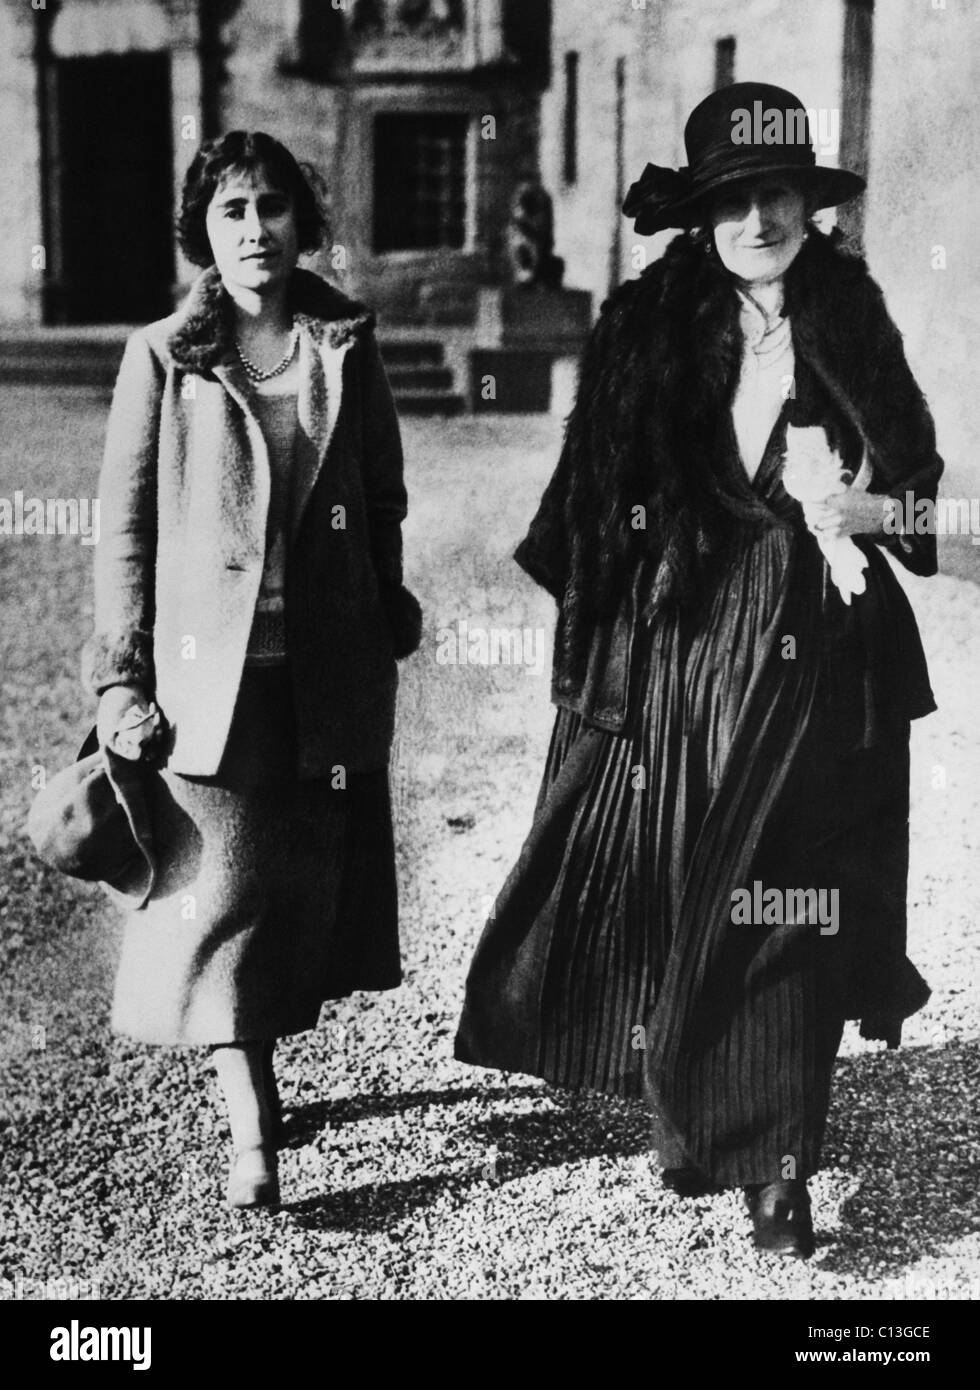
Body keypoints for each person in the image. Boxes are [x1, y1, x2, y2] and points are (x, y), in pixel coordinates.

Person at [455, 83, 941, 1258]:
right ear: (701, 215)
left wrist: (866, 504)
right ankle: (692, 1112)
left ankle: (777, 1168)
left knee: (785, 897)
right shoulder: (645, 322)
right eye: (733, 200)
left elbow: (919, 483)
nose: (758, 219)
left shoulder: (846, 310)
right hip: (680, 649)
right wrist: (606, 654)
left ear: (805, 205)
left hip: (814, 651)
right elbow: (588, 498)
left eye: (777, 193)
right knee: (683, 887)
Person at [83, 131, 421, 1209]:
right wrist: (120, 679)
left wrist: (385, 608)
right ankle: (252, 1129)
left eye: (272, 207)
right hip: (201, 690)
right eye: (231, 210)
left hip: (320, 679)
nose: (254, 229)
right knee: (218, 900)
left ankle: (264, 1070)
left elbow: (380, 500)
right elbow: (123, 529)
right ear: (204, 231)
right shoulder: (164, 355)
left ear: (301, 224)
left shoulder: (344, 346)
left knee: (296, 903)